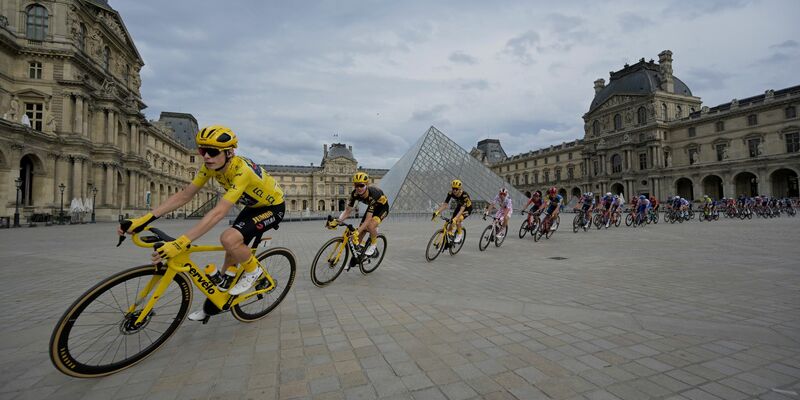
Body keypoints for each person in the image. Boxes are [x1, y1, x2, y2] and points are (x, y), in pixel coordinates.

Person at [118, 125, 286, 321]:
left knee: (228, 238)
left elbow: (218, 213)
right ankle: (214, 306)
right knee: (228, 264)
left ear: (230, 152)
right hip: (252, 207)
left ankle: (254, 271)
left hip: (273, 207)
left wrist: (180, 242)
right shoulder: (209, 167)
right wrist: (143, 219)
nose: (206, 156)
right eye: (202, 151)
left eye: (212, 152)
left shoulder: (242, 171)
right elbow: (185, 195)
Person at [330, 172, 388, 261]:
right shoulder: (354, 194)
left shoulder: (373, 194)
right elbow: (347, 211)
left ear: (367, 185)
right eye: (356, 186)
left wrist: (357, 231)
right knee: (357, 239)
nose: (359, 188)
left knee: (370, 225)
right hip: (371, 209)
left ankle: (373, 246)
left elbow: (368, 219)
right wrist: (338, 221)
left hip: (382, 208)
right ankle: (359, 258)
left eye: (361, 185)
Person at [433, 179, 472, 243]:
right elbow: (445, 205)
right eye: (453, 188)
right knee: (451, 222)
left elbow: (462, 209)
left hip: (467, 209)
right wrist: (437, 212)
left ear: (460, 189)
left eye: (456, 189)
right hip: (459, 206)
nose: (454, 190)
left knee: (457, 220)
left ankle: (459, 234)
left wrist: (456, 218)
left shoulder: (465, 195)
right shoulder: (450, 193)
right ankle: (449, 237)